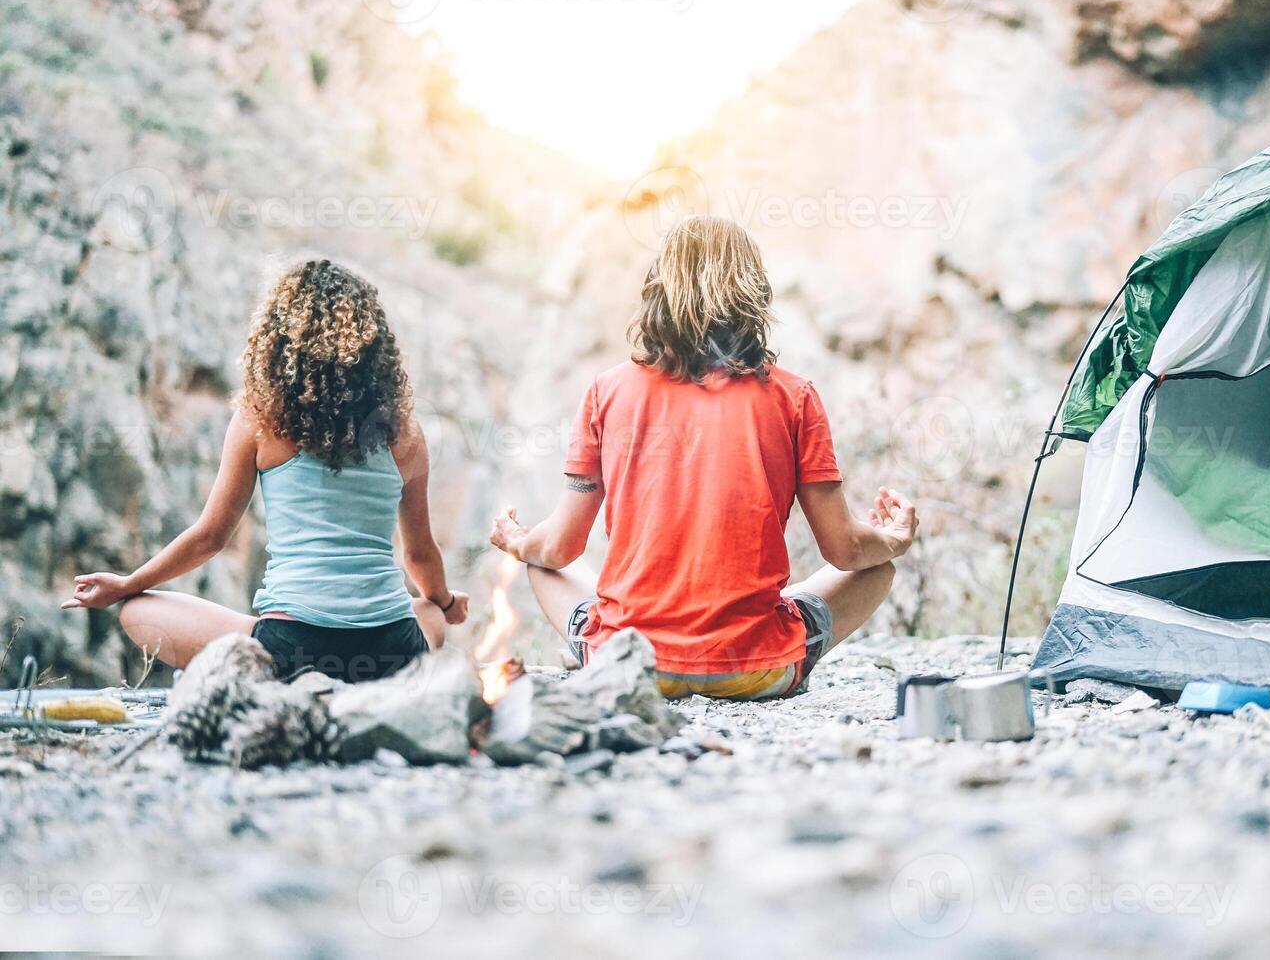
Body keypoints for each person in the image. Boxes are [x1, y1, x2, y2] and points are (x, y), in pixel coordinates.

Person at [490, 216, 919, 701]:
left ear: (658, 288)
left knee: (542, 567)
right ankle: (757, 653)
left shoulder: (605, 392)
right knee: (876, 570)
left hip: (630, 667)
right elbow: (847, 552)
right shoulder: (794, 397)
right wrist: (892, 539)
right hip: (755, 670)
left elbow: (559, 550)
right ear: (753, 291)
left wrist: (521, 542)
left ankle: (593, 652)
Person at [61, 260, 469, 682]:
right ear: (374, 348)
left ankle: (279, 678)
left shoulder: (260, 421)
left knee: (138, 610)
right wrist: (446, 600)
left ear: (279, 338)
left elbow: (210, 537)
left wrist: (127, 584)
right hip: (391, 651)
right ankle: (373, 678)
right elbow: (419, 553)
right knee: (428, 612)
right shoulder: (405, 433)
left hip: (291, 650)